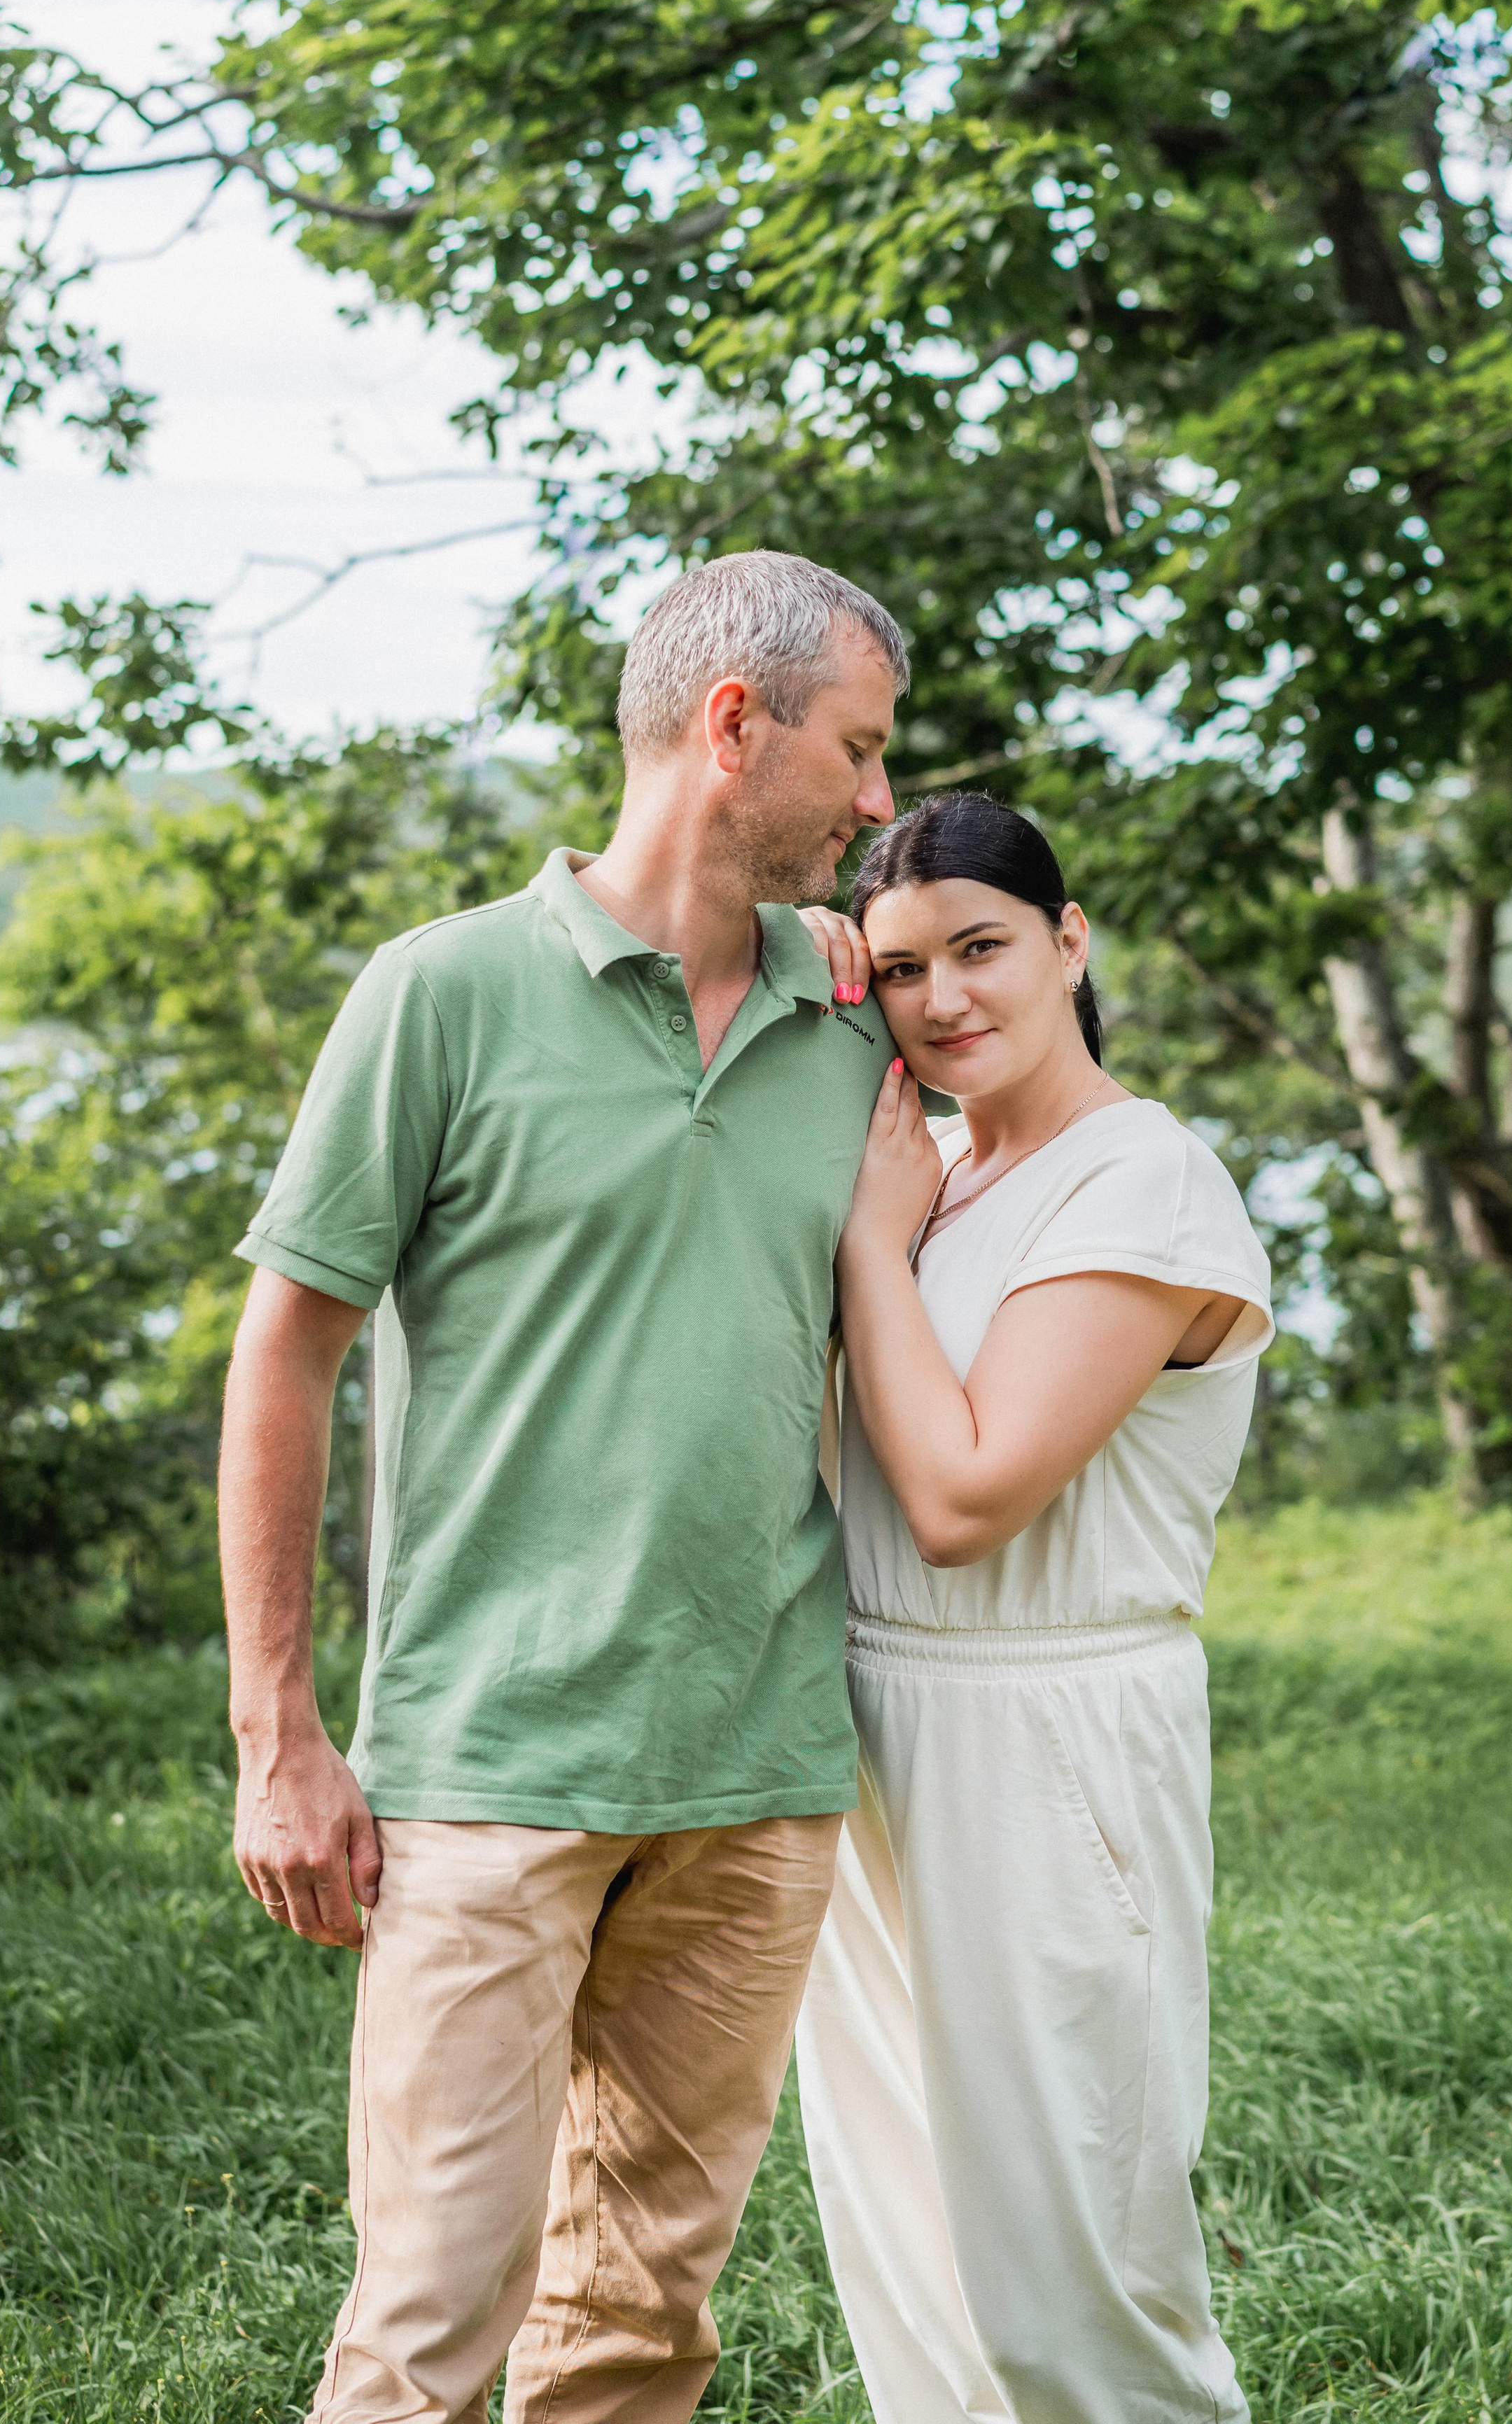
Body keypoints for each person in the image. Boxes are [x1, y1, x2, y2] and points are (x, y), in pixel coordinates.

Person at [216, 549, 912, 2424]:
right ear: (730, 723)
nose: (875, 804)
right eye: (856, 754)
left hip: (757, 1776)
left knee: (639, 2325)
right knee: (429, 2326)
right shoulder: (438, 997)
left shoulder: (856, 1017)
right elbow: (286, 1349)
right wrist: (276, 1730)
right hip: (493, 1763)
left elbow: (1030, 1105)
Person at [794, 792, 1272, 2424]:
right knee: (908, 2246)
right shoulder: (924, 1166)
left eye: (981, 948)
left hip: (1048, 1731)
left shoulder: (1143, 1183)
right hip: (860, 1727)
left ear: (1069, 944)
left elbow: (960, 1499)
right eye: (902, 969)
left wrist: (867, 1237)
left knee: (1066, 2266)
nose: (943, 1001)